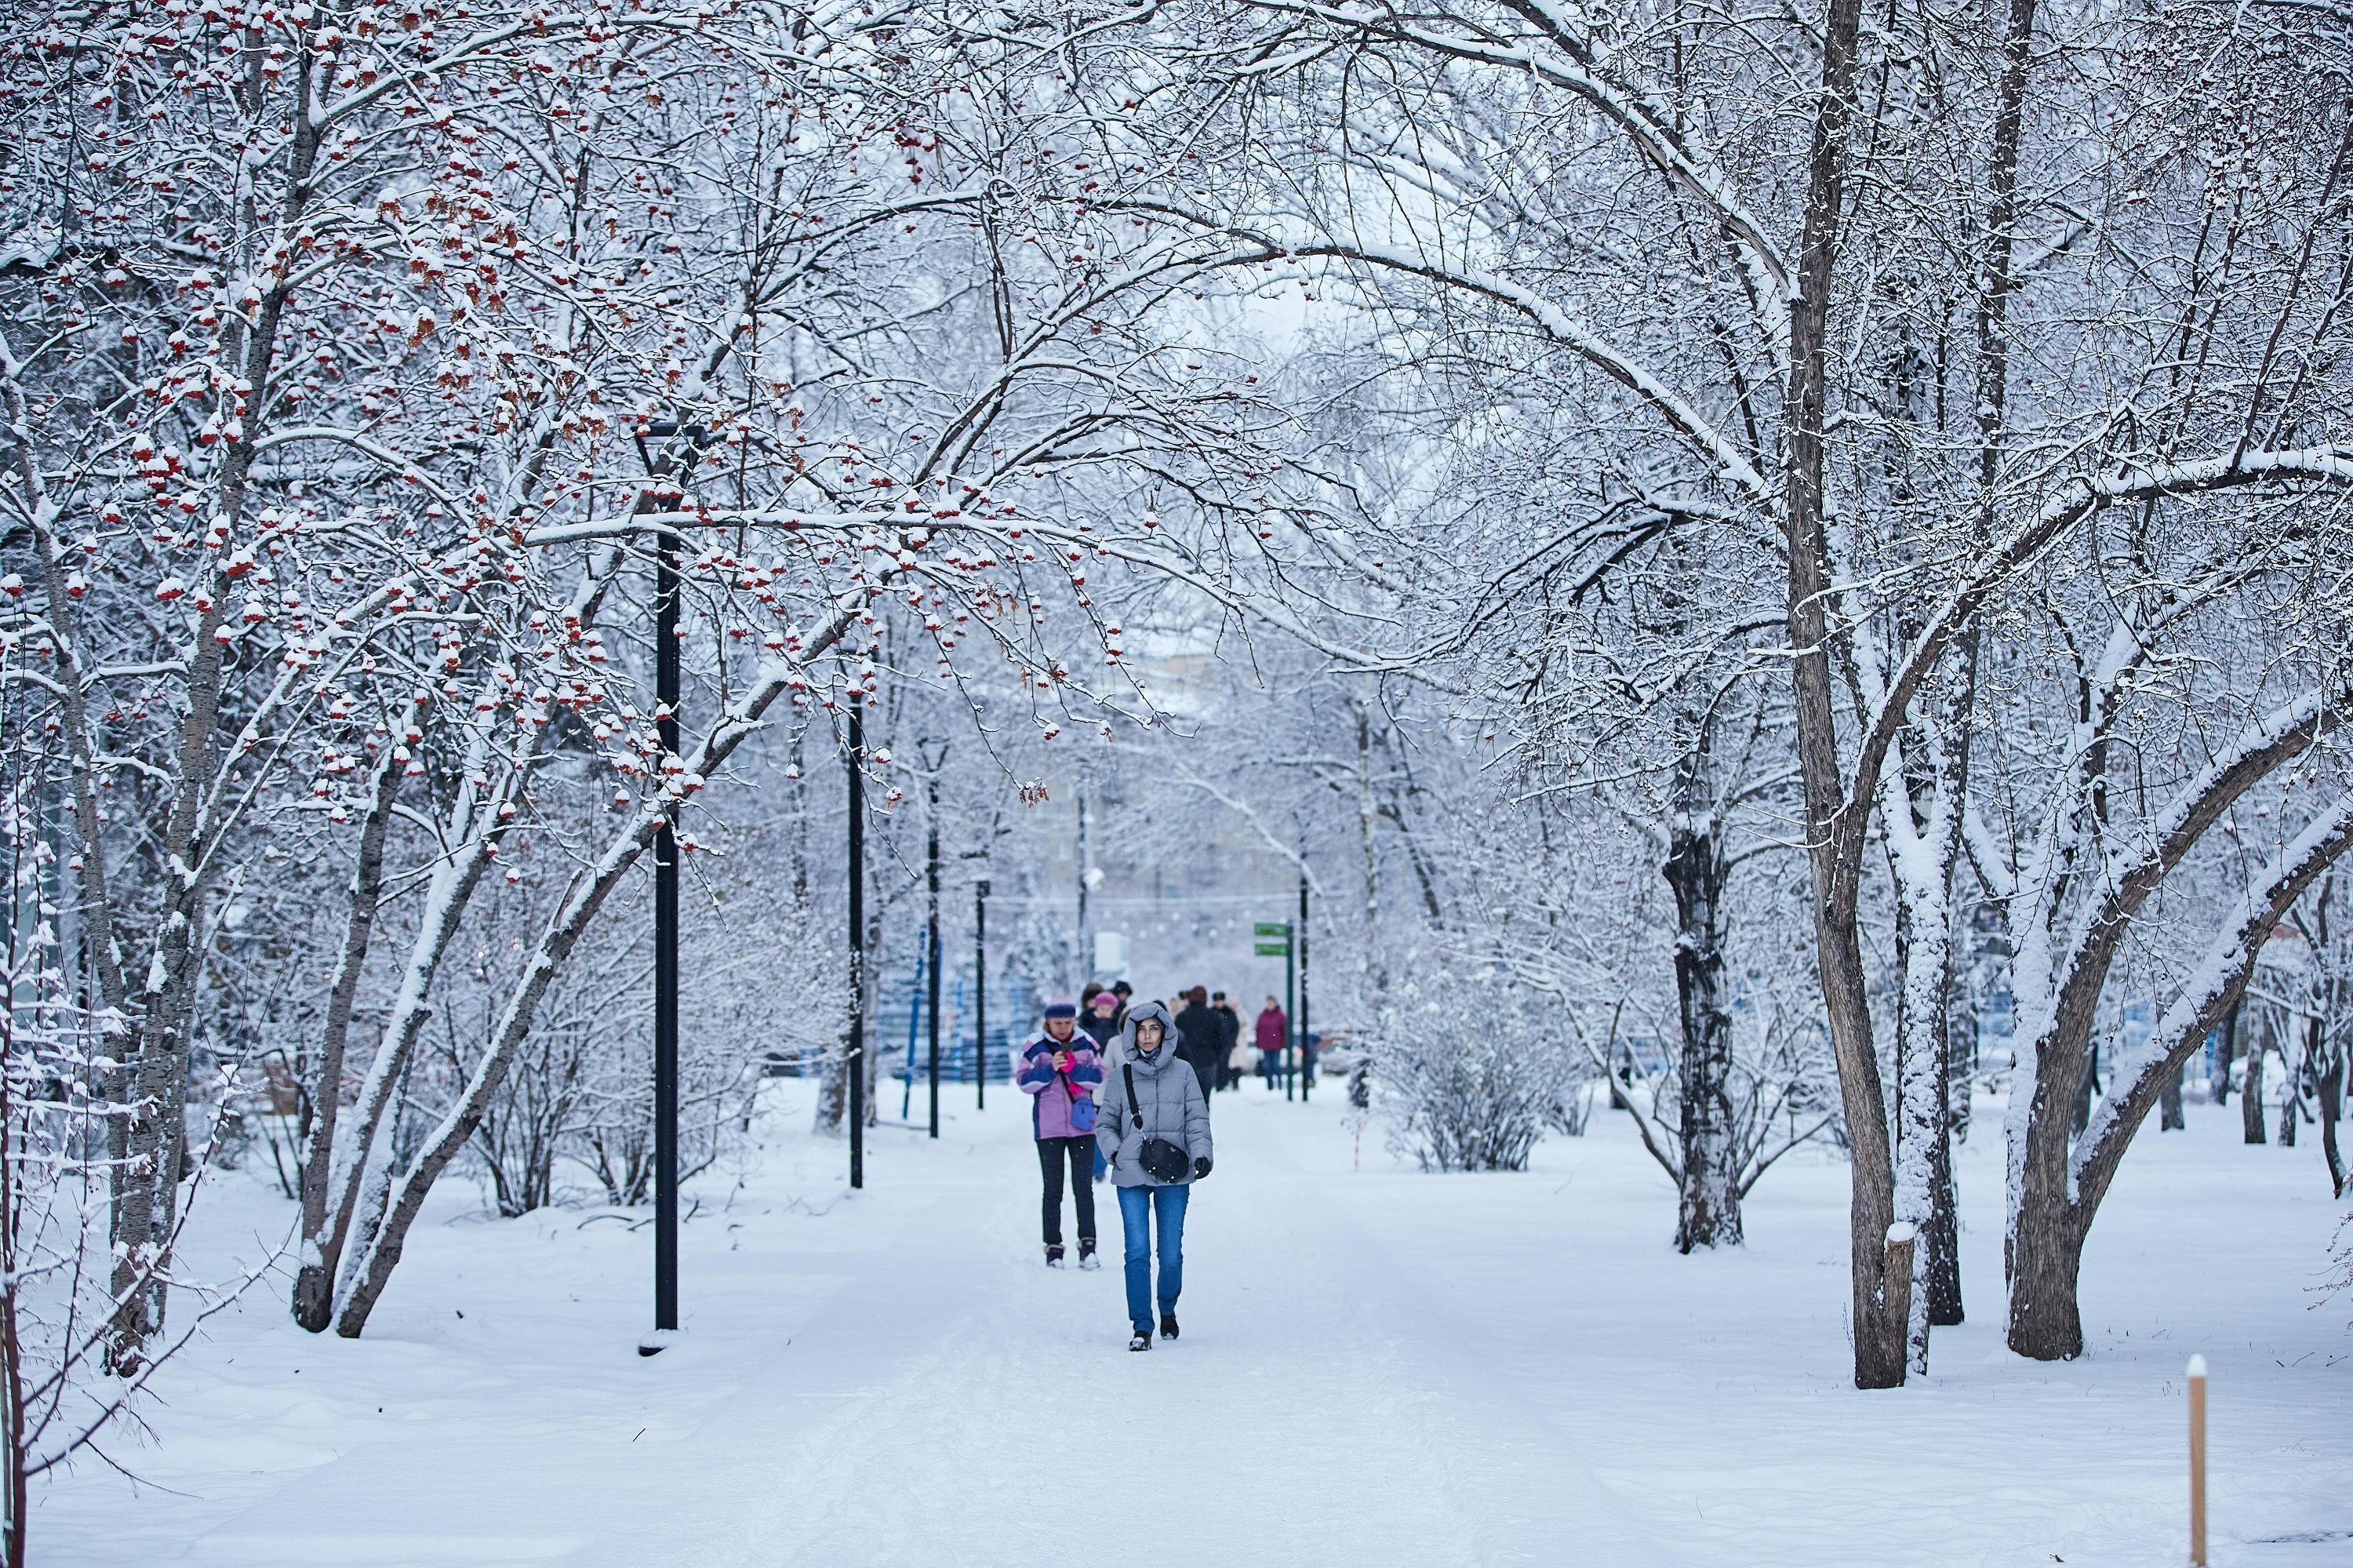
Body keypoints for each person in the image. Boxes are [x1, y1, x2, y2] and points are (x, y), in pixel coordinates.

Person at [1093, 1001, 1212, 1350]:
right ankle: (1141, 1326)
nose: (1147, 1036)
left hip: (1175, 1172)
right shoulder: (1121, 1075)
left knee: (1171, 1253)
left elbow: (1197, 1120)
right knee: (1137, 1251)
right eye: (1141, 1029)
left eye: (1153, 1028)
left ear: (1165, 1032)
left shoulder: (1185, 1072)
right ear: (1132, 1032)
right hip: (1131, 1173)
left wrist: (1202, 1154)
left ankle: (1168, 1308)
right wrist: (1116, 1153)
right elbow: (1105, 1124)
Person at [1016, 997, 1103, 1268]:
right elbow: (1023, 1082)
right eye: (1058, 1023)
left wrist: (1074, 1068)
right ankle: (1053, 1248)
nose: (1063, 1028)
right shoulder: (1035, 1046)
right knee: (1053, 1189)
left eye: (1068, 1022)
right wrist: (1048, 1068)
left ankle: (1088, 1247)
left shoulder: (1086, 1044)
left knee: (1083, 1188)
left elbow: (1099, 1077)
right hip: (1049, 1127)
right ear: (1048, 1022)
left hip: (1082, 1126)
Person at [1173, 986, 1224, 1104]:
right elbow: (1223, 1041)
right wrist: (1216, 1056)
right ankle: (1204, 1119)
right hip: (1208, 1062)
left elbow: (1175, 1041)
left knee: (1187, 1099)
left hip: (1186, 1063)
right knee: (1205, 1100)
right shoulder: (1214, 1016)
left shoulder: (1182, 1017)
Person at [1212, 990, 1243, 1091]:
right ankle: (1217, 1083)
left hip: (1226, 1043)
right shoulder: (1211, 1013)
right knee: (1216, 1065)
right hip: (1214, 1044)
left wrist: (1231, 1040)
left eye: (1220, 1001)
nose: (1218, 1003)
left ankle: (1224, 1083)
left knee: (1224, 1064)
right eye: (1217, 1001)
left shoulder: (1230, 1013)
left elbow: (1235, 1028)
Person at [1256, 995, 1287, 1091]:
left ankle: (1279, 1084)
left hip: (1276, 1045)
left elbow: (1284, 1031)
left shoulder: (1280, 1016)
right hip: (1265, 1045)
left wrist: (1283, 1043)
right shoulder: (1262, 1015)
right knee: (1267, 1066)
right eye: (1268, 1003)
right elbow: (1258, 1030)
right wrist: (1258, 1043)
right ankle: (1269, 1085)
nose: (1269, 1005)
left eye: (1271, 1003)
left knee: (1276, 1065)